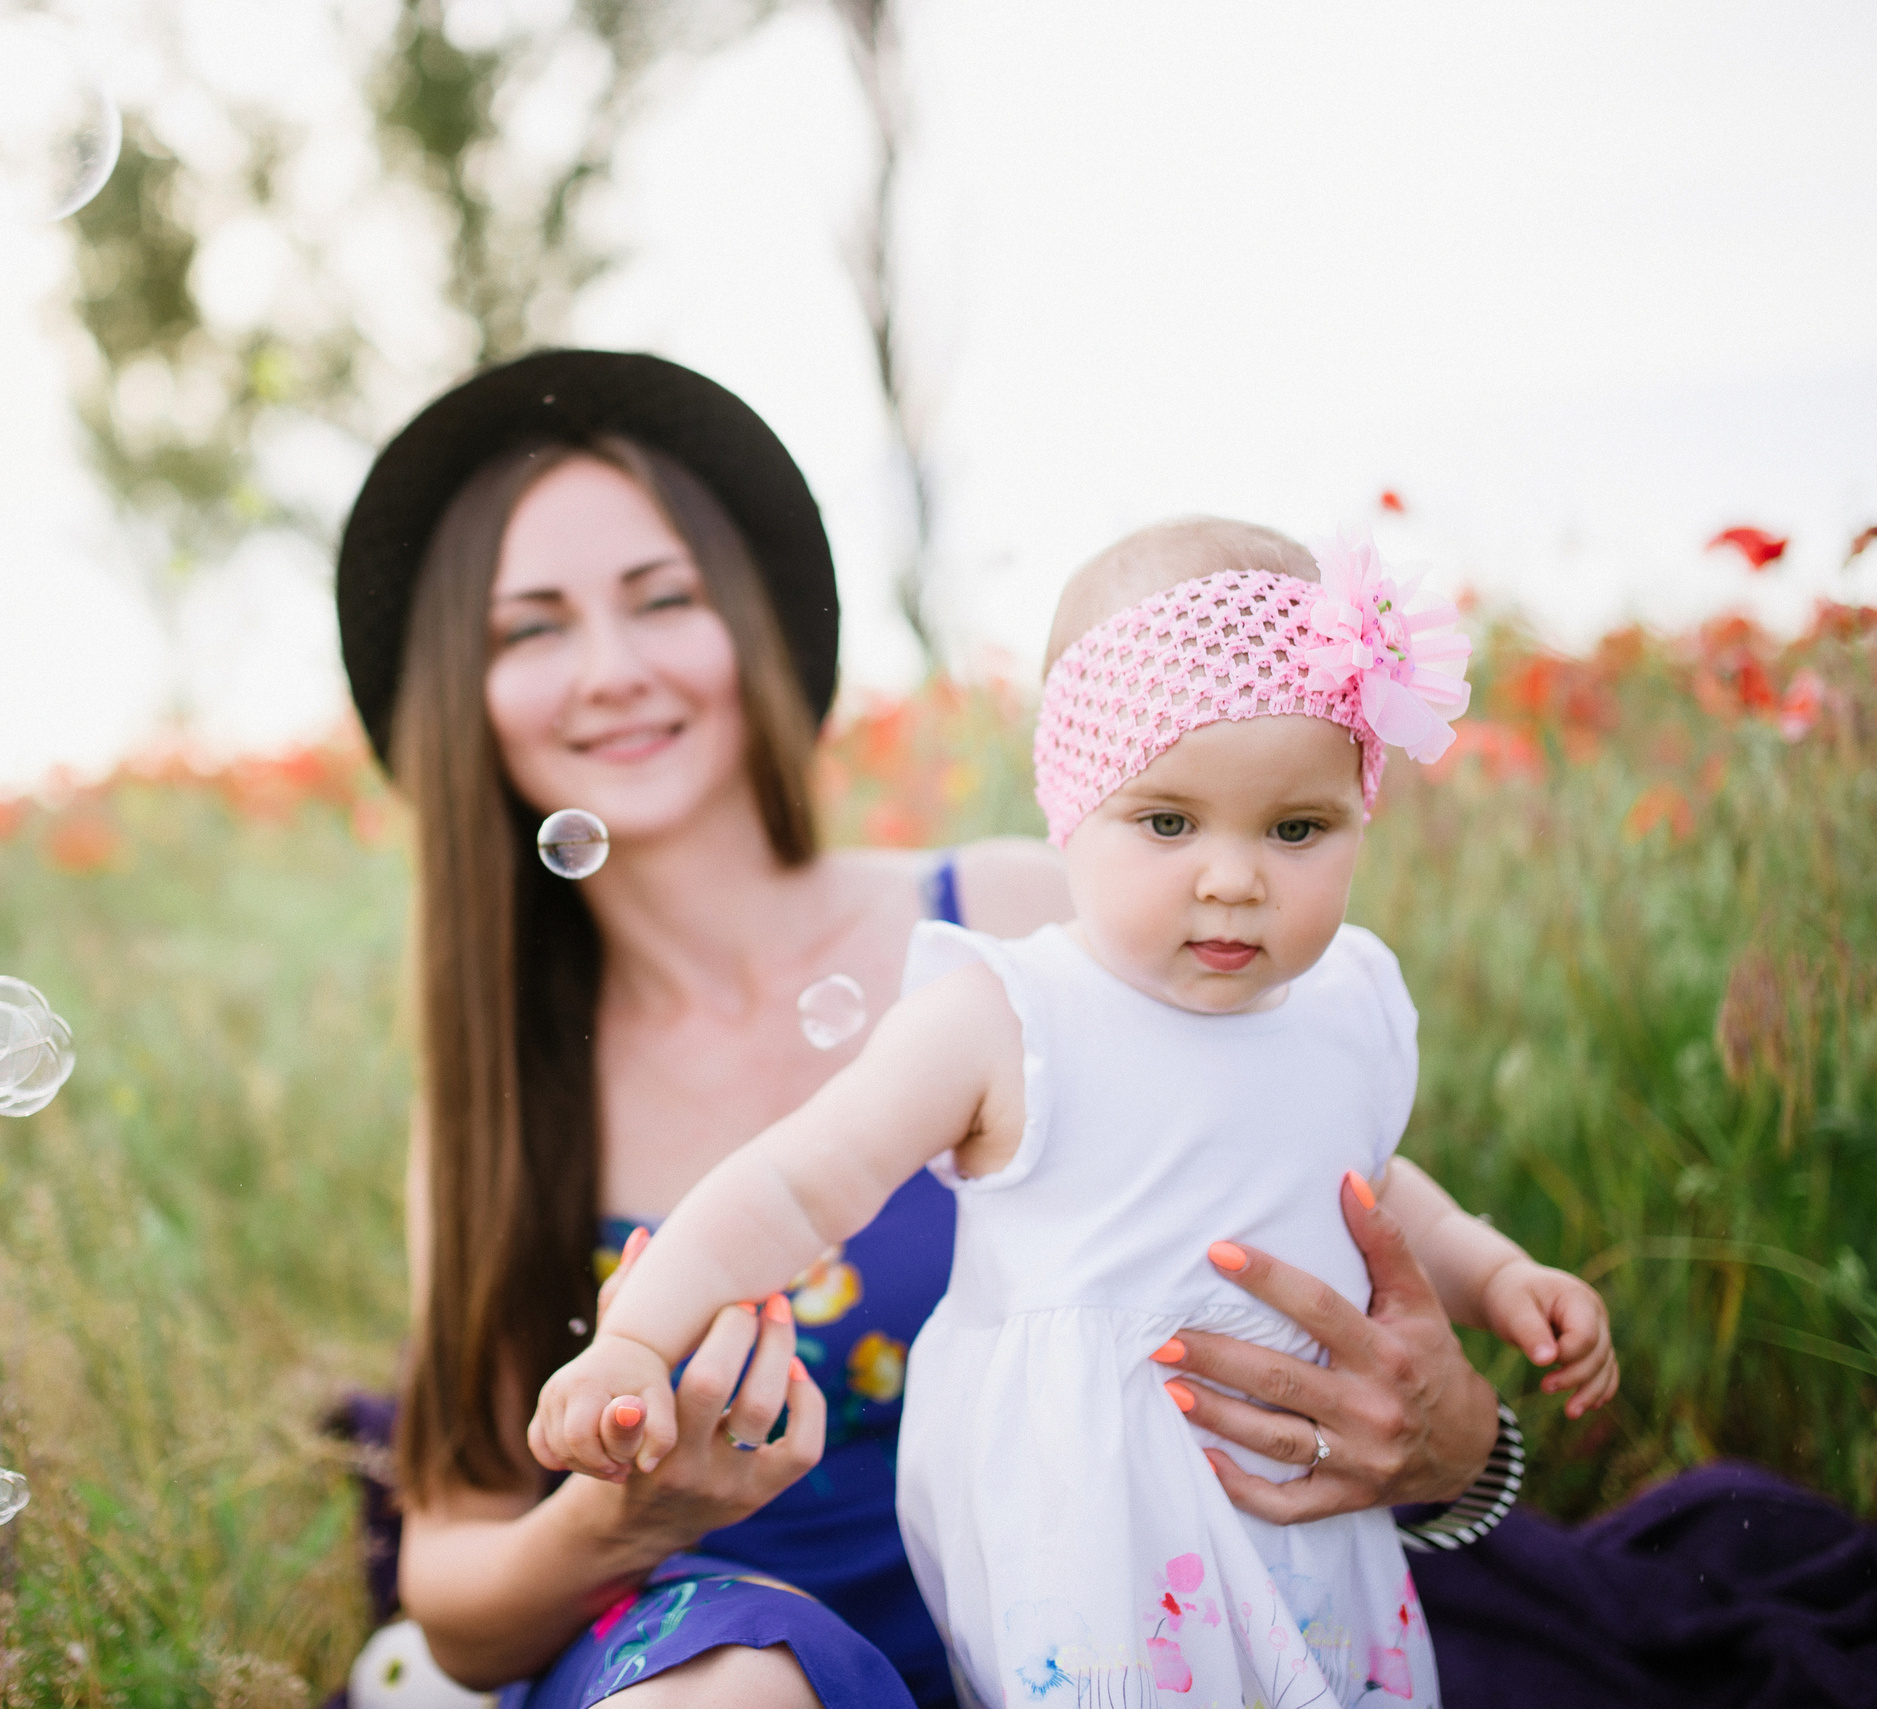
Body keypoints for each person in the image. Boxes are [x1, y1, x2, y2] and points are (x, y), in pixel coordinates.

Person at [335, 350, 1522, 1709]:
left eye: (664, 598)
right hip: (707, 1642)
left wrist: (1460, 1443)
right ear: (459, 692)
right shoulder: (500, 1101)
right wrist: (625, 1517)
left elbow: (1332, 1196)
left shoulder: (1034, 929)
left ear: (755, 624)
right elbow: (457, 1601)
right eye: (530, 628)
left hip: (1117, 1607)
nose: (612, 668)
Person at [529, 519, 1619, 1707]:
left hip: (1301, 1512)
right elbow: (794, 1184)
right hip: (1089, 1525)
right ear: (1073, 809)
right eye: (1167, 821)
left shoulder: (1349, 999)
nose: (1233, 877)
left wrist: (1495, 1272)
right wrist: (637, 1338)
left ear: (1359, 814)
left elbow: (1371, 1181)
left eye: (1296, 828)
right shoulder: (1009, 1013)